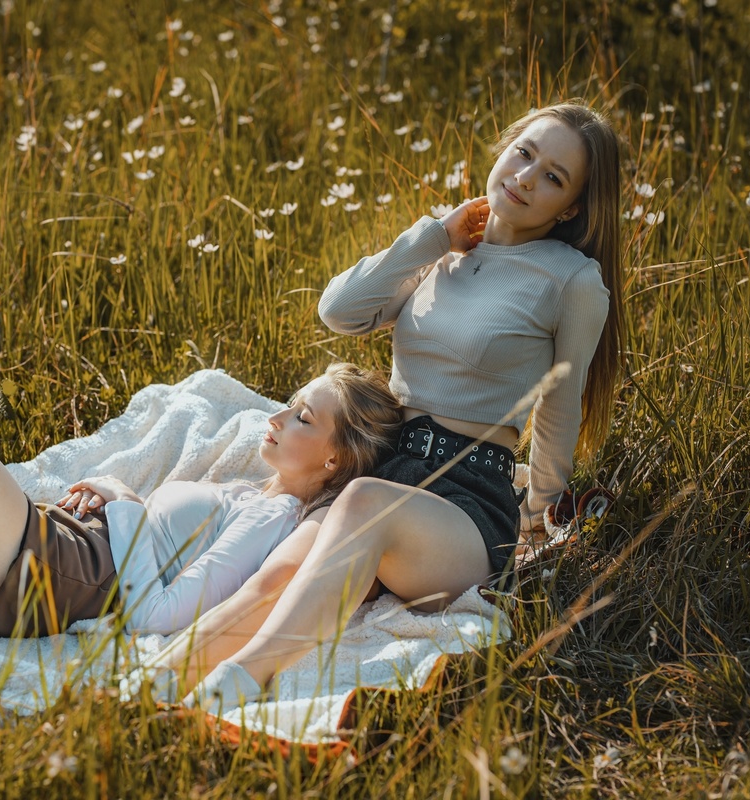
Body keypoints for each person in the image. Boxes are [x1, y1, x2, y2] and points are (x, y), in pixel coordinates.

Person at [171, 102, 626, 707]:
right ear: (504, 151)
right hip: (392, 468)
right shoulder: (444, 246)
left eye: (553, 177)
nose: (525, 177)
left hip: (470, 504)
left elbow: (560, 409)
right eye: (524, 154)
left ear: (570, 207)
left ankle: (241, 680)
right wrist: (436, 234)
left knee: (360, 502)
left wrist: (537, 512)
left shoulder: (571, 279)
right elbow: (339, 311)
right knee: (279, 573)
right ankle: (149, 680)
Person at [0, 314, 402, 637]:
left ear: (334, 461)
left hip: (51, 577)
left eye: (301, 417)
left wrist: (126, 505)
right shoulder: (246, 491)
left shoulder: (274, 520)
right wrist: (124, 503)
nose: (276, 417)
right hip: (24, 552)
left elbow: (157, 614)